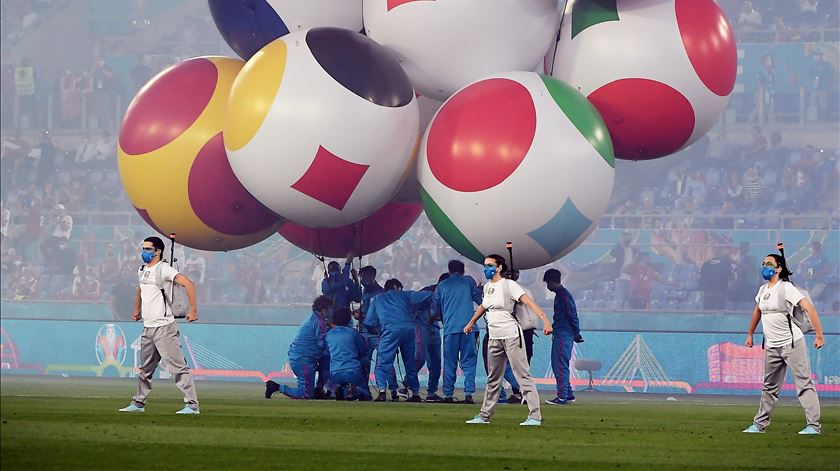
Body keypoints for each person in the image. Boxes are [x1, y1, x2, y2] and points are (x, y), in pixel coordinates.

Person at [464, 254, 552, 426]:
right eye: (485, 265)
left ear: (499, 268)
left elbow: (528, 302)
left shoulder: (510, 285)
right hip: (494, 337)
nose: (486, 268)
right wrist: (471, 322)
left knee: (523, 375)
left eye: (490, 265)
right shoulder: (488, 287)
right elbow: (483, 306)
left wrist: (545, 319)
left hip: (511, 335)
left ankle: (535, 416)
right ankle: (484, 416)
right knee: (493, 378)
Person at [743, 254, 825, 435]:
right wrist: (750, 334)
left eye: (769, 264)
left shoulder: (786, 288)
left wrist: (819, 335)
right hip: (772, 346)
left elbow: (809, 308)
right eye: (763, 263)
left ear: (779, 268)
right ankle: (759, 425)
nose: (765, 266)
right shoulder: (763, 289)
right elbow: (757, 312)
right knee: (769, 387)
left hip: (792, 343)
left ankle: (813, 426)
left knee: (804, 384)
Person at [119, 236, 199, 415]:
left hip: (164, 327)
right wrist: (136, 309)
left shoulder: (164, 269)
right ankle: (139, 403)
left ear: (158, 251)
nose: (144, 252)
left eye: (148, 249)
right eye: (143, 249)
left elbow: (189, 284)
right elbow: (140, 288)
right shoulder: (142, 270)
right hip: (148, 327)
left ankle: (192, 405)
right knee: (145, 369)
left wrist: (193, 310)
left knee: (178, 367)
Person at [364, 278, 432, 402]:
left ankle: (382, 392)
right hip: (409, 330)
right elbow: (428, 296)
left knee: (383, 363)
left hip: (390, 330)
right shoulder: (406, 295)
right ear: (396, 287)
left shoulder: (377, 299)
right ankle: (416, 394)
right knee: (410, 363)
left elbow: (369, 323)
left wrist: (378, 332)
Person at [431, 260, 482, 403]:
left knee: (449, 362)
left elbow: (434, 311)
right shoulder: (468, 281)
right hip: (469, 328)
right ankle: (469, 394)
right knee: (469, 361)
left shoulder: (441, 286)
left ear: (449, 270)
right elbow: (480, 300)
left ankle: (448, 394)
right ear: (463, 270)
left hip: (450, 329)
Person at [267, 295, 332, 400]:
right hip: (303, 360)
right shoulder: (319, 322)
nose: (331, 312)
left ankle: (320, 390)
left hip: (301, 357)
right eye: (330, 309)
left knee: (325, 363)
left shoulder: (313, 319)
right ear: (324, 310)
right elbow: (322, 344)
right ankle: (277, 387)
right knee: (306, 395)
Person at [354, 265, 399, 401]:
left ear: (372, 276)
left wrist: (362, 315)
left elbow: (379, 314)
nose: (362, 280)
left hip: (377, 333)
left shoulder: (380, 293)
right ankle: (363, 391)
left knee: (385, 362)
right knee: (363, 363)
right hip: (363, 332)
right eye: (361, 277)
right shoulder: (365, 293)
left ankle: (393, 389)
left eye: (364, 277)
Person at [543, 269, 583, 405]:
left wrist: (576, 332)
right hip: (561, 332)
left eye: (547, 283)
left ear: (551, 281)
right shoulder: (561, 295)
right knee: (559, 364)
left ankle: (562, 397)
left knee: (560, 365)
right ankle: (568, 393)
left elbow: (572, 314)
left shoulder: (564, 296)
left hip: (563, 334)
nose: (547, 286)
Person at [326, 307, 372, 401]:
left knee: (341, 389)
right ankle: (356, 391)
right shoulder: (353, 333)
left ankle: (339, 389)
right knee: (366, 396)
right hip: (353, 371)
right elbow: (365, 349)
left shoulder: (329, 334)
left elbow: (326, 352)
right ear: (348, 320)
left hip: (334, 372)